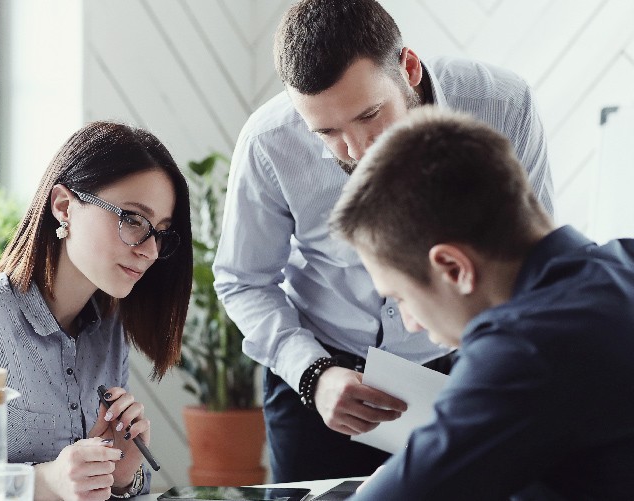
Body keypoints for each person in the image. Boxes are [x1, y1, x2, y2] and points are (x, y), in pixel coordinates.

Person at [213, 0, 556, 482]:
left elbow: (530, 256)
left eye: (370, 114)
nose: (357, 151)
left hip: (469, 365)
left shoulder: (502, 104)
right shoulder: (268, 142)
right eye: (326, 132)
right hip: (323, 378)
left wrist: (494, 369)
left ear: (409, 68)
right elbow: (243, 280)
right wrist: (315, 374)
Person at [330, 106, 634, 500]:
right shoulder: (623, 265)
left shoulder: (524, 348)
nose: (411, 323)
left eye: (402, 297)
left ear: (453, 268)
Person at [0, 121, 193, 501]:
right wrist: (43, 483)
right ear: (64, 206)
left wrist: (121, 478)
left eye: (161, 232)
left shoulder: (108, 328)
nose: (150, 250)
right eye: (132, 219)